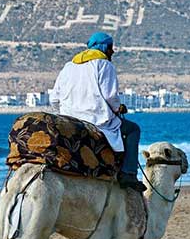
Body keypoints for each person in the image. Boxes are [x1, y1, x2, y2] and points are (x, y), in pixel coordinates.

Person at [50, 32, 146, 192]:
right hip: (96, 120)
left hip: (69, 120)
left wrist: (64, 115)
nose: (112, 52)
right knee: (133, 130)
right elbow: (110, 95)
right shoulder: (104, 65)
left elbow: (54, 99)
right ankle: (128, 174)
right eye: (110, 48)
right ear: (104, 48)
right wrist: (118, 108)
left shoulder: (68, 66)